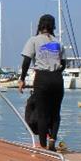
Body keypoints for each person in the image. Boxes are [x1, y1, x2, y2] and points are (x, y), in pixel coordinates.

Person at [18, 14, 65, 150]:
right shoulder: (58, 42)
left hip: (42, 78)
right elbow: (64, 63)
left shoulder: (34, 40)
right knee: (56, 112)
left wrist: (22, 79)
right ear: (53, 26)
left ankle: (43, 146)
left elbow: (26, 61)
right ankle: (52, 139)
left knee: (42, 113)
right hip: (57, 78)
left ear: (40, 25)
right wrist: (55, 75)